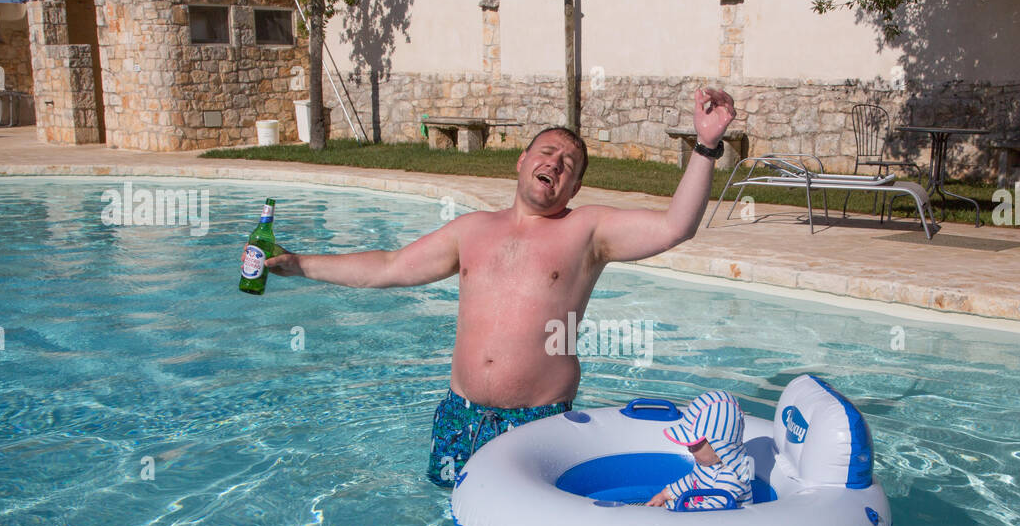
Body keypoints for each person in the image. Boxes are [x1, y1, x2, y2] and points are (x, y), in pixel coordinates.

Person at [262, 88, 737, 486]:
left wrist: (706, 145)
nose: (557, 162)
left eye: (570, 164)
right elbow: (388, 266)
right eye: (548, 152)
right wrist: (301, 264)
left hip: (537, 422)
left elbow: (676, 226)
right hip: (459, 416)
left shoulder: (587, 231)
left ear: (572, 190)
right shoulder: (470, 230)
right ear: (522, 160)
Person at [645, 390, 754, 510]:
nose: (689, 448)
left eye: (696, 444)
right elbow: (691, 480)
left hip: (720, 522)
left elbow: (711, 510)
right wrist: (665, 495)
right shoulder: (707, 461)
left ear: (719, 447)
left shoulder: (734, 474)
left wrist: (675, 510)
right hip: (698, 510)